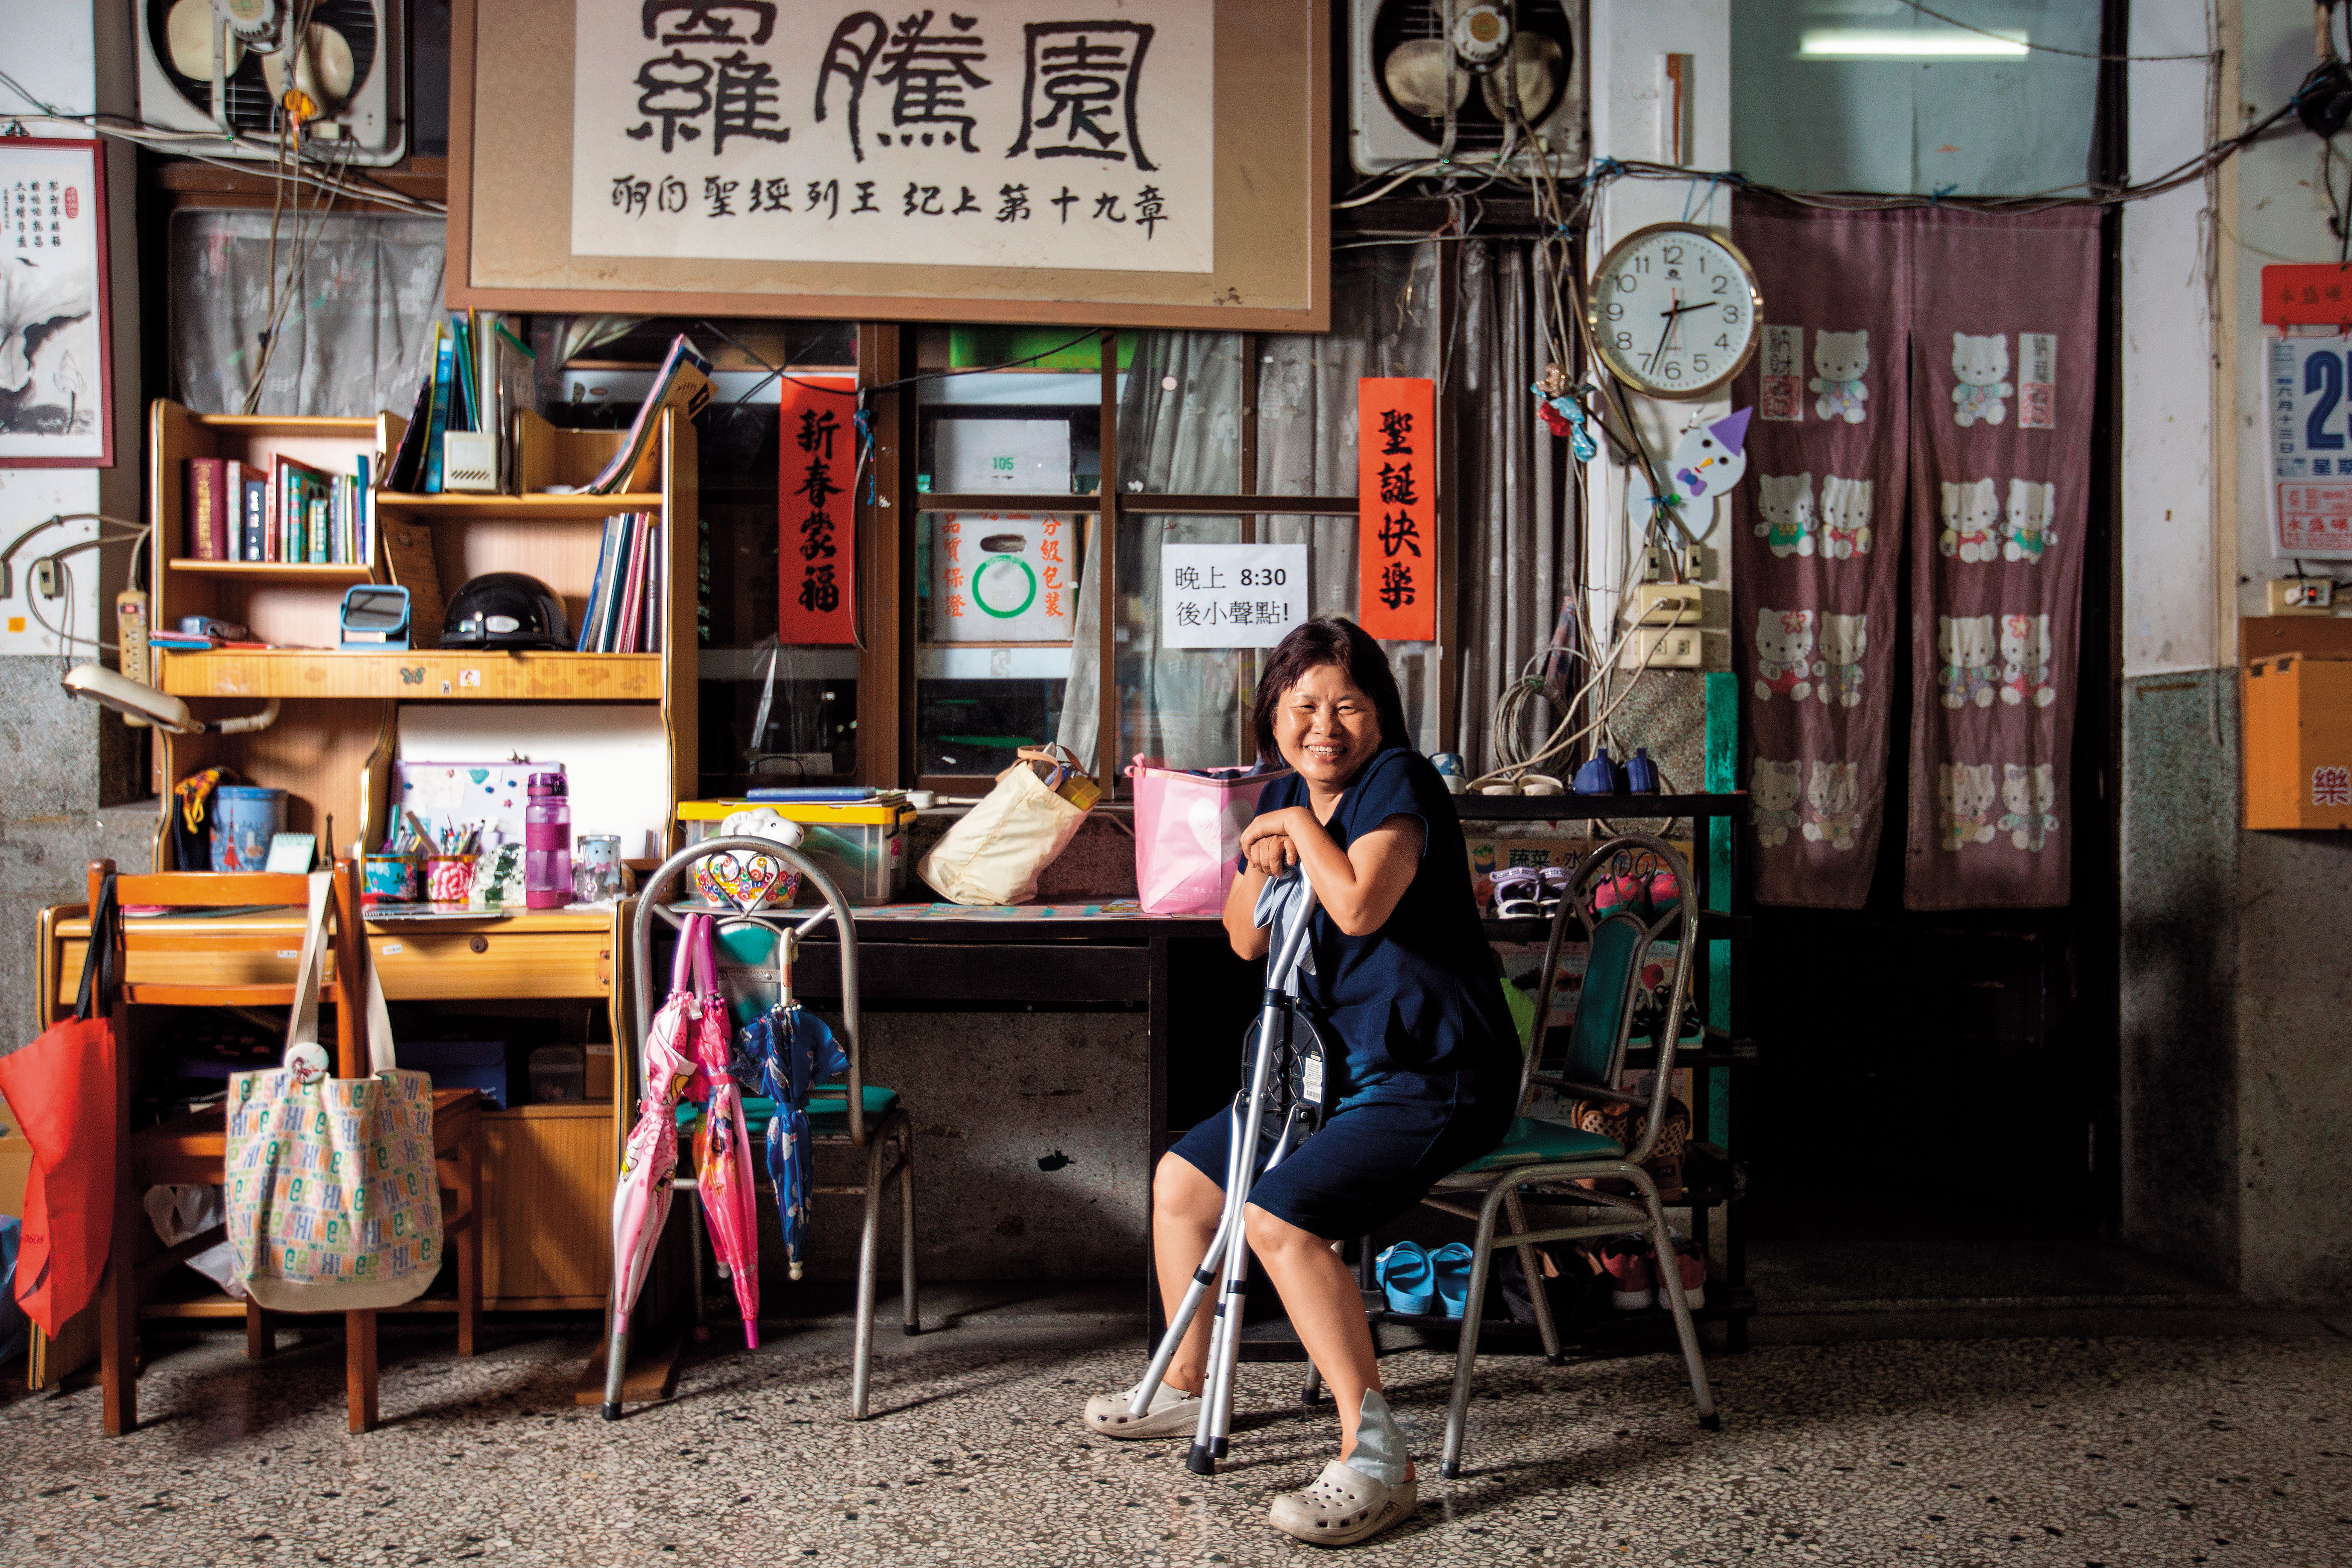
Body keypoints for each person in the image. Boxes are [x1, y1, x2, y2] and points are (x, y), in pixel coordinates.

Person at [1082, 617, 1520, 1547]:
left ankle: (1376, 1455)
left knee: (1278, 1219)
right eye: (1302, 706)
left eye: (1348, 706)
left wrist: (1287, 827)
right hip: (1326, 1079)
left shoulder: (1398, 782)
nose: (1325, 726)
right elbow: (1245, 937)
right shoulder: (1285, 795)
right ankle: (1186, 1383)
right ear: (1271, 715)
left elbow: (1359, 902)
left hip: (1432, 1074)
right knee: (1182, 1183)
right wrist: (1259, 844)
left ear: (1380, 716)